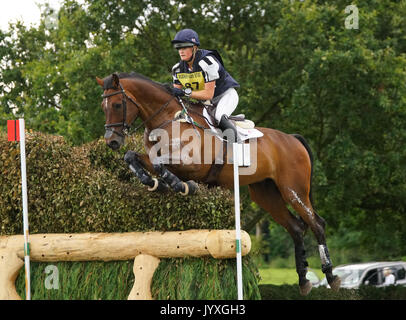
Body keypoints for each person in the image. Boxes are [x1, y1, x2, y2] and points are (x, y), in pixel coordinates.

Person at [170, 28, 240, 142]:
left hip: (225, 96)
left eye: (184, 47)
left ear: (194, 48)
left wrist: (184, 92)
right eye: (179, 48)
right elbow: (175, 95)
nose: (181, 51)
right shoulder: (177, 69)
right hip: (205, 104)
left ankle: (238, 151)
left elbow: (208, 94)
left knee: (219, 116)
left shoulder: (207, 62)